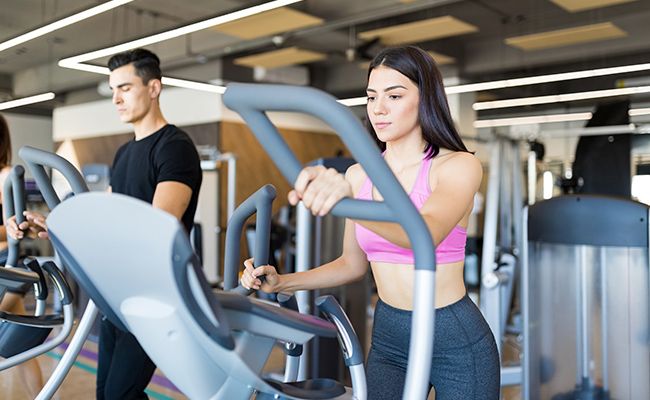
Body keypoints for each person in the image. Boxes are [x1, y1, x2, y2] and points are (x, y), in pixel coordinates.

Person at [241, 44, 500, 399]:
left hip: (452, 335)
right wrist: (283, 282)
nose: (378, 109)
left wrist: (348, 204)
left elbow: (424, 233)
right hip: (389, 334)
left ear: (425, 99)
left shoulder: (456, 166)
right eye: (371, 96)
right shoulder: (360, 175)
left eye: (394, 96)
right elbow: (352, 264)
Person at [7, 49, 203, 400]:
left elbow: (157, 227)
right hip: (118, 290)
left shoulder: (174, 147)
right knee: (107, 395)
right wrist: (52, 225)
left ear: (154, 88)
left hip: (154, 293)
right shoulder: (125, 153)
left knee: (120, 395)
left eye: (125, 88)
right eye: (113, 89)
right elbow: (107, 217)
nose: (116, 98)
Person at [0, 113, 44, 398]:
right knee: (21, 350)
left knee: (14, 347)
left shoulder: (5, 176)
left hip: (7, 268)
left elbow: (17, 227)